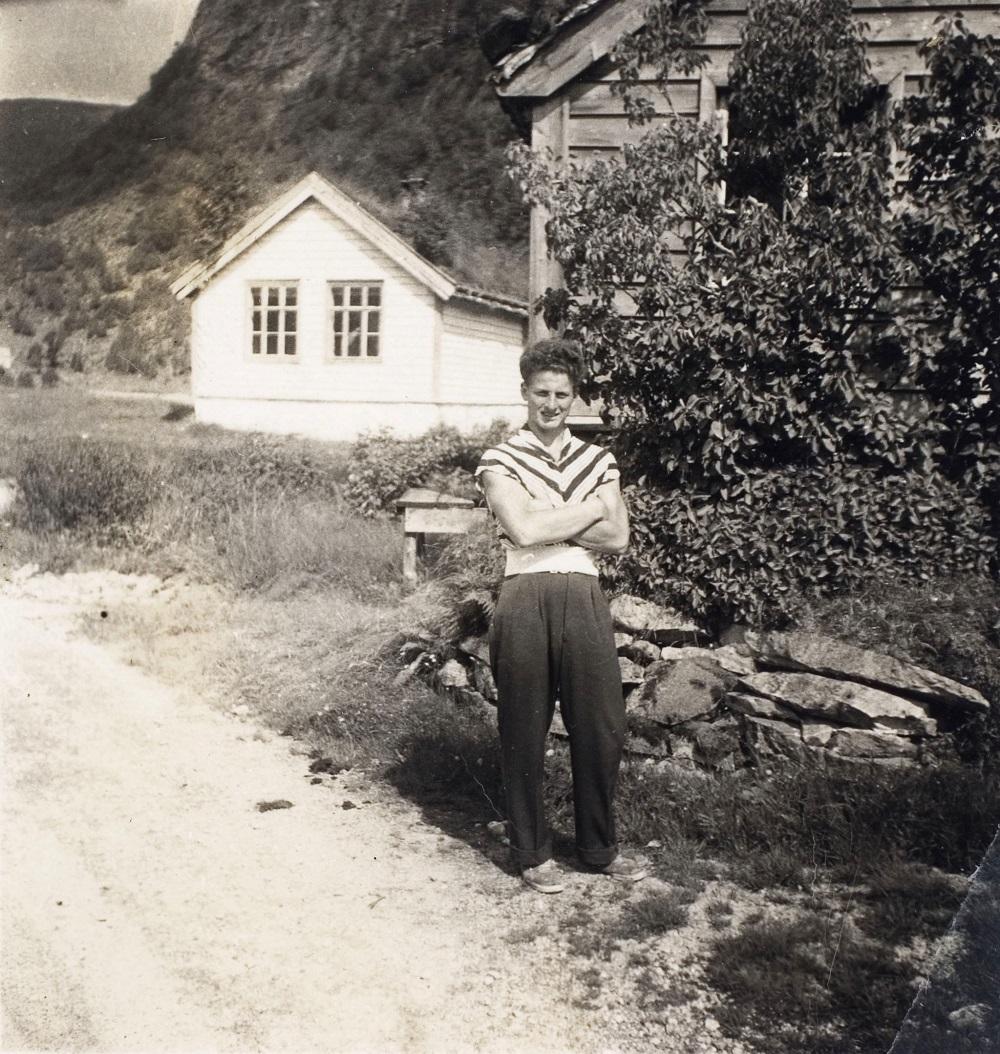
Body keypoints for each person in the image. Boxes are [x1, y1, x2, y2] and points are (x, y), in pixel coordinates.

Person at [475, 338, 649, 893]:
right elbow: (522, 532)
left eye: (562, 394)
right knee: (524, 726)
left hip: (583, 591)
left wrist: (548, 512)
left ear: (575, 398)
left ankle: (598, 848)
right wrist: (592, 506)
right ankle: (532, 853)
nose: (552, 404)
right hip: (525, 593)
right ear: (524, 393)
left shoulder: (598, 458)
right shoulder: (500, 459)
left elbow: (618, 537)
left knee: (602, 725)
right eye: (541, 393)